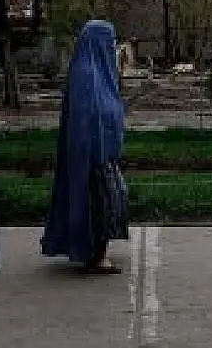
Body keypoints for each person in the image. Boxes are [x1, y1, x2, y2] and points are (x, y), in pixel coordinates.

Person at [41, 20, 129, 274]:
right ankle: (95, 256)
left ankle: (96, 252)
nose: (113, 46)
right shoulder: (87, 75)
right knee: (102, 204)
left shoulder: (97, 71)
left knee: (109, 202)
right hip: (93, 154)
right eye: (110, 41)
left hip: (102, 152)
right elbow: (88, 117)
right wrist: (95, 152)